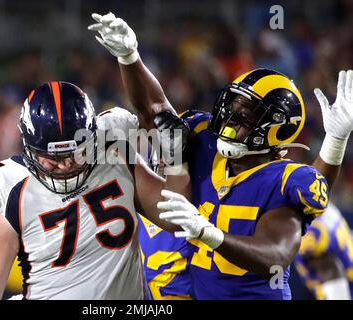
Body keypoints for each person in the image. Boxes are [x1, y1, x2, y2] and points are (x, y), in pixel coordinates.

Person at [89, 12, 353, 299]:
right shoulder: (203, 140)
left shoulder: (284, 180)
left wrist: (210, 234)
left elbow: (276, 255)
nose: (229, 119)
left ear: (275, 129)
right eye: (231, 107)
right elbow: (154, 110)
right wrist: (130, 57)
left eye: (246, 115)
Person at [0, 81, 182, 300]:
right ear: (30, 149)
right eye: (54, 158)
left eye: (76, 152)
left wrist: (176, 159)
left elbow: (174, 218)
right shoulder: (9, 190)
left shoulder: (114, 149)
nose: (66, 164)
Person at [295, 203, 353, 300]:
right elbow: (313, 285)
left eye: (318, 257)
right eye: (311, 258)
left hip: (341, 235)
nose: (316, 263)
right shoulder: (299, 253)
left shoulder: (338, 241)